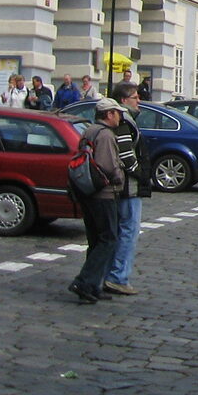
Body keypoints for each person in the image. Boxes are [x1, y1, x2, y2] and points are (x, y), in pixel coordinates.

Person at [69, 99, 126, 304]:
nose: (120, 116)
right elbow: (108, 166)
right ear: (109, 114)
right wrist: (121, 177)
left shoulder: (88, 131)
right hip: (104, 194)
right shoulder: (106, 135)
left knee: (95, 240)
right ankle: (84, 281)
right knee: (108, 238)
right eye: (117, 113)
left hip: (87, 192)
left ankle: (93, 286)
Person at [104, 89, 151, 296]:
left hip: (121, 187)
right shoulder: (124, 122)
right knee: (128, 231)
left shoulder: (123, 121)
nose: (139, 100)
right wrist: (141, 175)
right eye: (135, 97)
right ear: (123, 101)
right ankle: (117, 277)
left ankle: (110, 274)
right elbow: (126, 156)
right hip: (128, 188)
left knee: (119, 231)